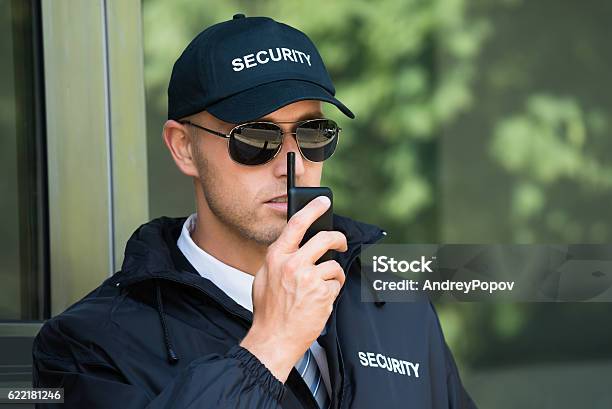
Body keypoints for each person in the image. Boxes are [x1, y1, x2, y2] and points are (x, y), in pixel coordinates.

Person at [32, 14, 477, 409]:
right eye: (256, 138)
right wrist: (271, 345)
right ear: (184, 147)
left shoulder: (392, 302)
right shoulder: (88, 345)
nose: (294, 163)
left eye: (313, 133)